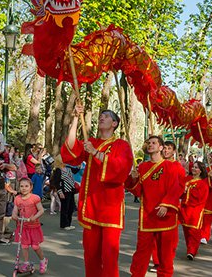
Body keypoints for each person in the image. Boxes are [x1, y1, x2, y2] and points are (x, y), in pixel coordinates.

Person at [61, 103, 133, 277]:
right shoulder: (91, 141)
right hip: (91, 205)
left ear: (114, 123)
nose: (102, 117)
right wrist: (75, 118)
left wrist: (96, 153)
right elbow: (70, 150)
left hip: (111, 207)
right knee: (91, 255)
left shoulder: (121, 145)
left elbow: (120, 169)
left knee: (109, 256)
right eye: (101, 115)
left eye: (107, 116)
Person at [126, 135, 181, 277]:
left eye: (154, 143)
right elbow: (138, 192)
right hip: (147, 215)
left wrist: (166, 205)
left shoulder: (170, 166)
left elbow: (174, 188)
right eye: (149, 143)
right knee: (141, 251)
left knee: (165, 254)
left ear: (161, 147)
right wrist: (133, 179)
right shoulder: (142, 167)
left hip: (165, 215)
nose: (150, 145)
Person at [12, 177, 48, 274]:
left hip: (33, 226)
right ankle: (26, 262)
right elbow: (15, 209)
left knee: (35, 246)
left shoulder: (35, 198)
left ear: (31, 187)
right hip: (23, 226)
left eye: (26, 186)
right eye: (21, 186)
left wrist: (34, 217)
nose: (24, 188)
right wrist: (14, 215)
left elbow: (41, 210)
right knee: (24, 246)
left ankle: (43, 260)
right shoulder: (17, 198)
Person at [180, 161, 209, 260]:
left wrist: (188, 190)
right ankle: (190, 248)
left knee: (194, 231)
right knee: (187, 230)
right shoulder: (187, 179)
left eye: (196, 168)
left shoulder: (203, 183)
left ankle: (192, 251)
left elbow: (201, 197)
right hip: (185, 208)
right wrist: (182, 190)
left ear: (200, 171)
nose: (194, 169)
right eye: (193, 167)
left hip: (196, 209)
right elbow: (178, 191)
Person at [54, 161, 77, 230]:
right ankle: (64, 224)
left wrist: (78, 163)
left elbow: (76, 170)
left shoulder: (68, 168)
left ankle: (68, 223)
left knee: (71, 207)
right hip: (64, 191)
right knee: (65, 208)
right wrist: (60, 192)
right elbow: (56, 182)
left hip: (71, 190)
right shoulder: (58, 170)